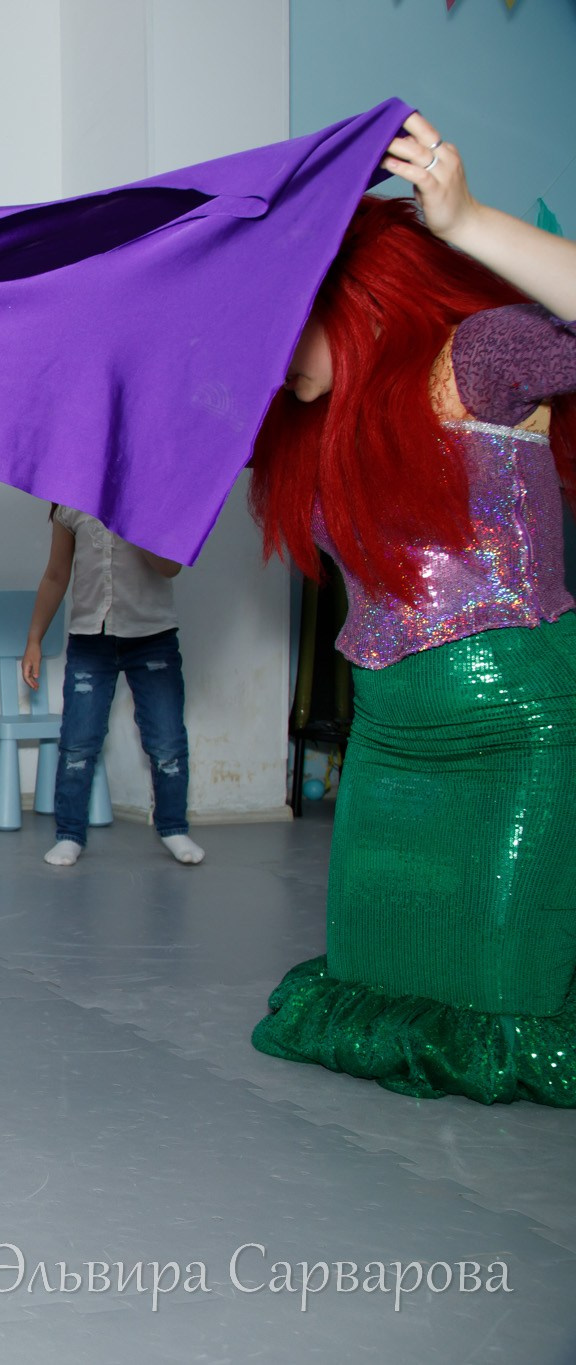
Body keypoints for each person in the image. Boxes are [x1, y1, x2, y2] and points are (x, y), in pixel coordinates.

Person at [248, 113, 576, 1106]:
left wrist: (467, 221)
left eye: (279, 326)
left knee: (496, 994)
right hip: (386, 745)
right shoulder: (311, 430)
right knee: (371, 977)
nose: (268, 362)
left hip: (511, 734)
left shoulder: (478, 358)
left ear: (348, 300)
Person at [19, 508, 205, 867]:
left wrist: (134, 517)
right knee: (78, 743)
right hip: (91, 639)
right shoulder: (70, 503)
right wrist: (33, 639)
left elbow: (171, 567)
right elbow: (56, 575)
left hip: (153, 637)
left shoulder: (153, 499)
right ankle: (70, 834)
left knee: (166, 741)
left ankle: (173, 827)